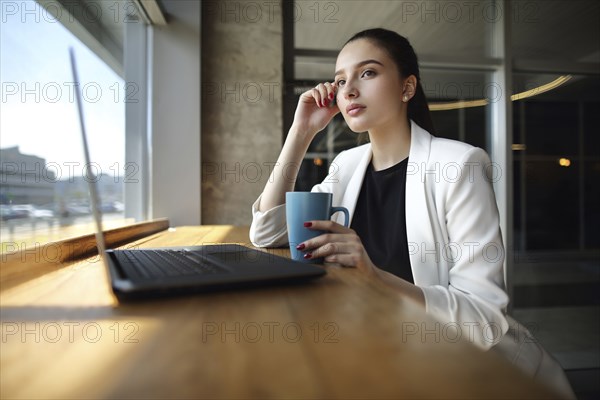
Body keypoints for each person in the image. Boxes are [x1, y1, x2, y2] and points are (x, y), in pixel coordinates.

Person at [249, 28, 574, 398]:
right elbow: (267, 233)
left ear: (407, 87)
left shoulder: (459, 164)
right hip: (378, 351)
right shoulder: (346, 165)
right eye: (340, 80)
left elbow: (484, 318)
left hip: (474, 371)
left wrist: (374, 275)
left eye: (367, 73)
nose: (349, 89)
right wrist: (300, 131)